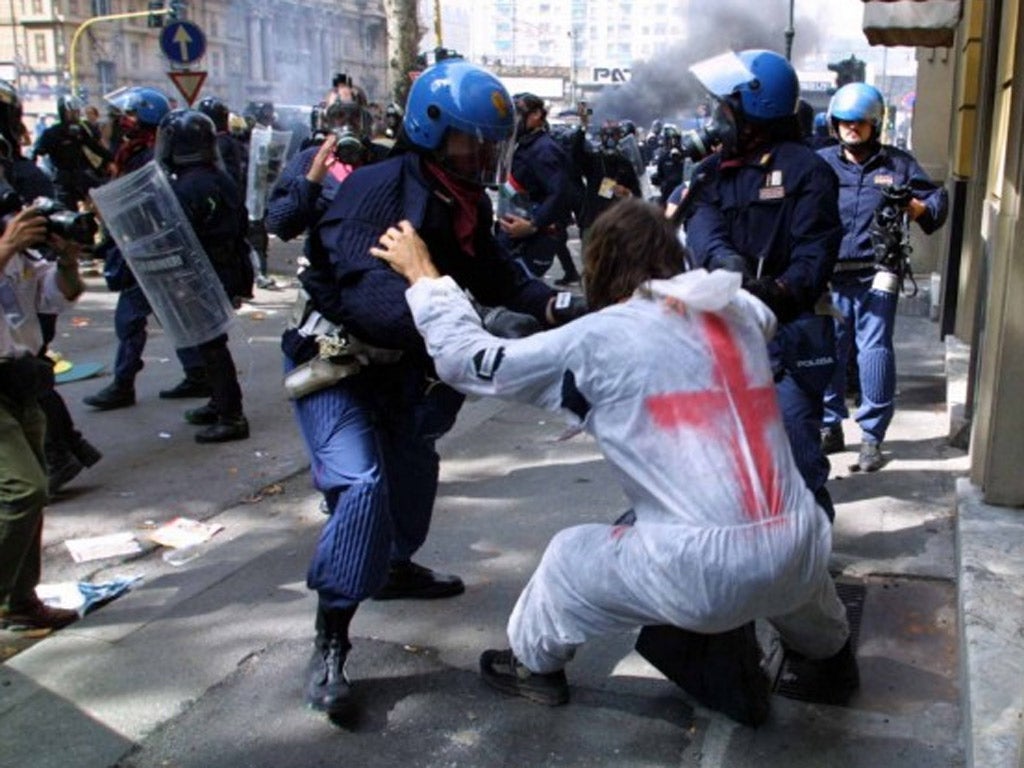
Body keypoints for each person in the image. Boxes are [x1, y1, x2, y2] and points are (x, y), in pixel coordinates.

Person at [371, 197, 857, 726]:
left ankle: (533, 667)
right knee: (789, 551)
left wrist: (424, 277)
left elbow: (468, 362)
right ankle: (831, 659)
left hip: (699, 573)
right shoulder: (737, 312)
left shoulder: (597, 340)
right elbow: (742, 314)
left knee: (567, 557)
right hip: (801, 545)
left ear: (597, 266)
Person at [284, 56, 582, 720]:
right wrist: (477, 321)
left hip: (400, 372)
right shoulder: (378, 191)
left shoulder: (462, 198)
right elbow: (379, 309)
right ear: (430, 131)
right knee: (362, 488)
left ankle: (391, 567)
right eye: (468, 141)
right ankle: (331, 636)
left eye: (488, 143)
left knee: (412, 474)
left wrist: (562, 308)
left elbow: (505, 276)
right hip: (340, 366)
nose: (481, 155)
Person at [681, 49, 842, 521]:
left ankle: (814, 569)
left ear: (756, 110)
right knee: (723, 465)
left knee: (797, 461)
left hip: (787, 339)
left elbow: (815, 256)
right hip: (724, 340)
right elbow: (701, 227)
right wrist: (722, 262)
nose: (717, 119)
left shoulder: (808, 171)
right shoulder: (712, 172)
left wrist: (768, 292)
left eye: (725, 109)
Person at [818, 83, 948, 471]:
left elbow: (937, 205)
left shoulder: (898, 165)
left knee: (874, 351)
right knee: (830, 351)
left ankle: (872, 436)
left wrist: (913, 205)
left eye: (859, 122)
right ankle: (829, 426)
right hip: (829, 275)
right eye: (844, 122)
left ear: (875, 123)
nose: (851, 129)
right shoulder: (821, 163)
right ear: (834, 124)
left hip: (878, 274)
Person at [83, 86, 211, 410]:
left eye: (128, 115)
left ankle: (123, 383)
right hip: (144, 245)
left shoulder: (146, 157)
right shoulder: (137, 153)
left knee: (132, 318)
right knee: (171, 311)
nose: (121, 121)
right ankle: (197, 373)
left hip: (149, 246)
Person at [0, 164, 87, 631]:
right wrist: (6, 247)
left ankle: (21, 601)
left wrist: (68, 257)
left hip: (21, 381)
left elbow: (61, 295)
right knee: (23, 489)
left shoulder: (19, 253)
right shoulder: (8, 246)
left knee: (37, 494)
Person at [154, 109, 252, 443]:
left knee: (212, 345)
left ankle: (231, 415)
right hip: (226, 267)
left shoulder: (188, 186)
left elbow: (180, 236)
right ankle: (218, 402)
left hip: (207, 270)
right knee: (208, 342)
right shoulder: (215, 176)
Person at [496, 93, 571, 279]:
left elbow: (558, 193)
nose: (515, 121)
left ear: (536, 114)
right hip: (514, 230)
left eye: (519, 114)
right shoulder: (524, 145)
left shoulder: (544, 149)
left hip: (531, 239)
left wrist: (533, 224)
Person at [31, 95, 112, 210]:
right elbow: (35, 152)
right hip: (62, 180)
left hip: (80, 174)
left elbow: (95, 147)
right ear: (63, 112)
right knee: (69, 212)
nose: (75, 115)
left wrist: (112, 159)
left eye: (77, 112)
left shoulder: (81, 130)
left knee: (102, 197)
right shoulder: (52, 133)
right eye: (72, 112)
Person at [572, 120, 641, 241]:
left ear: (619, 136)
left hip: (617, 224)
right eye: (606, 135)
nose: (609, 139)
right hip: (594, 221)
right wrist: (582, 128)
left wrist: (626, 192)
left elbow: (637, 194)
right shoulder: (594, 160)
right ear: (600, 137)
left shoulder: (625, 163)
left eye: (613, 135)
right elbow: (576, 154)